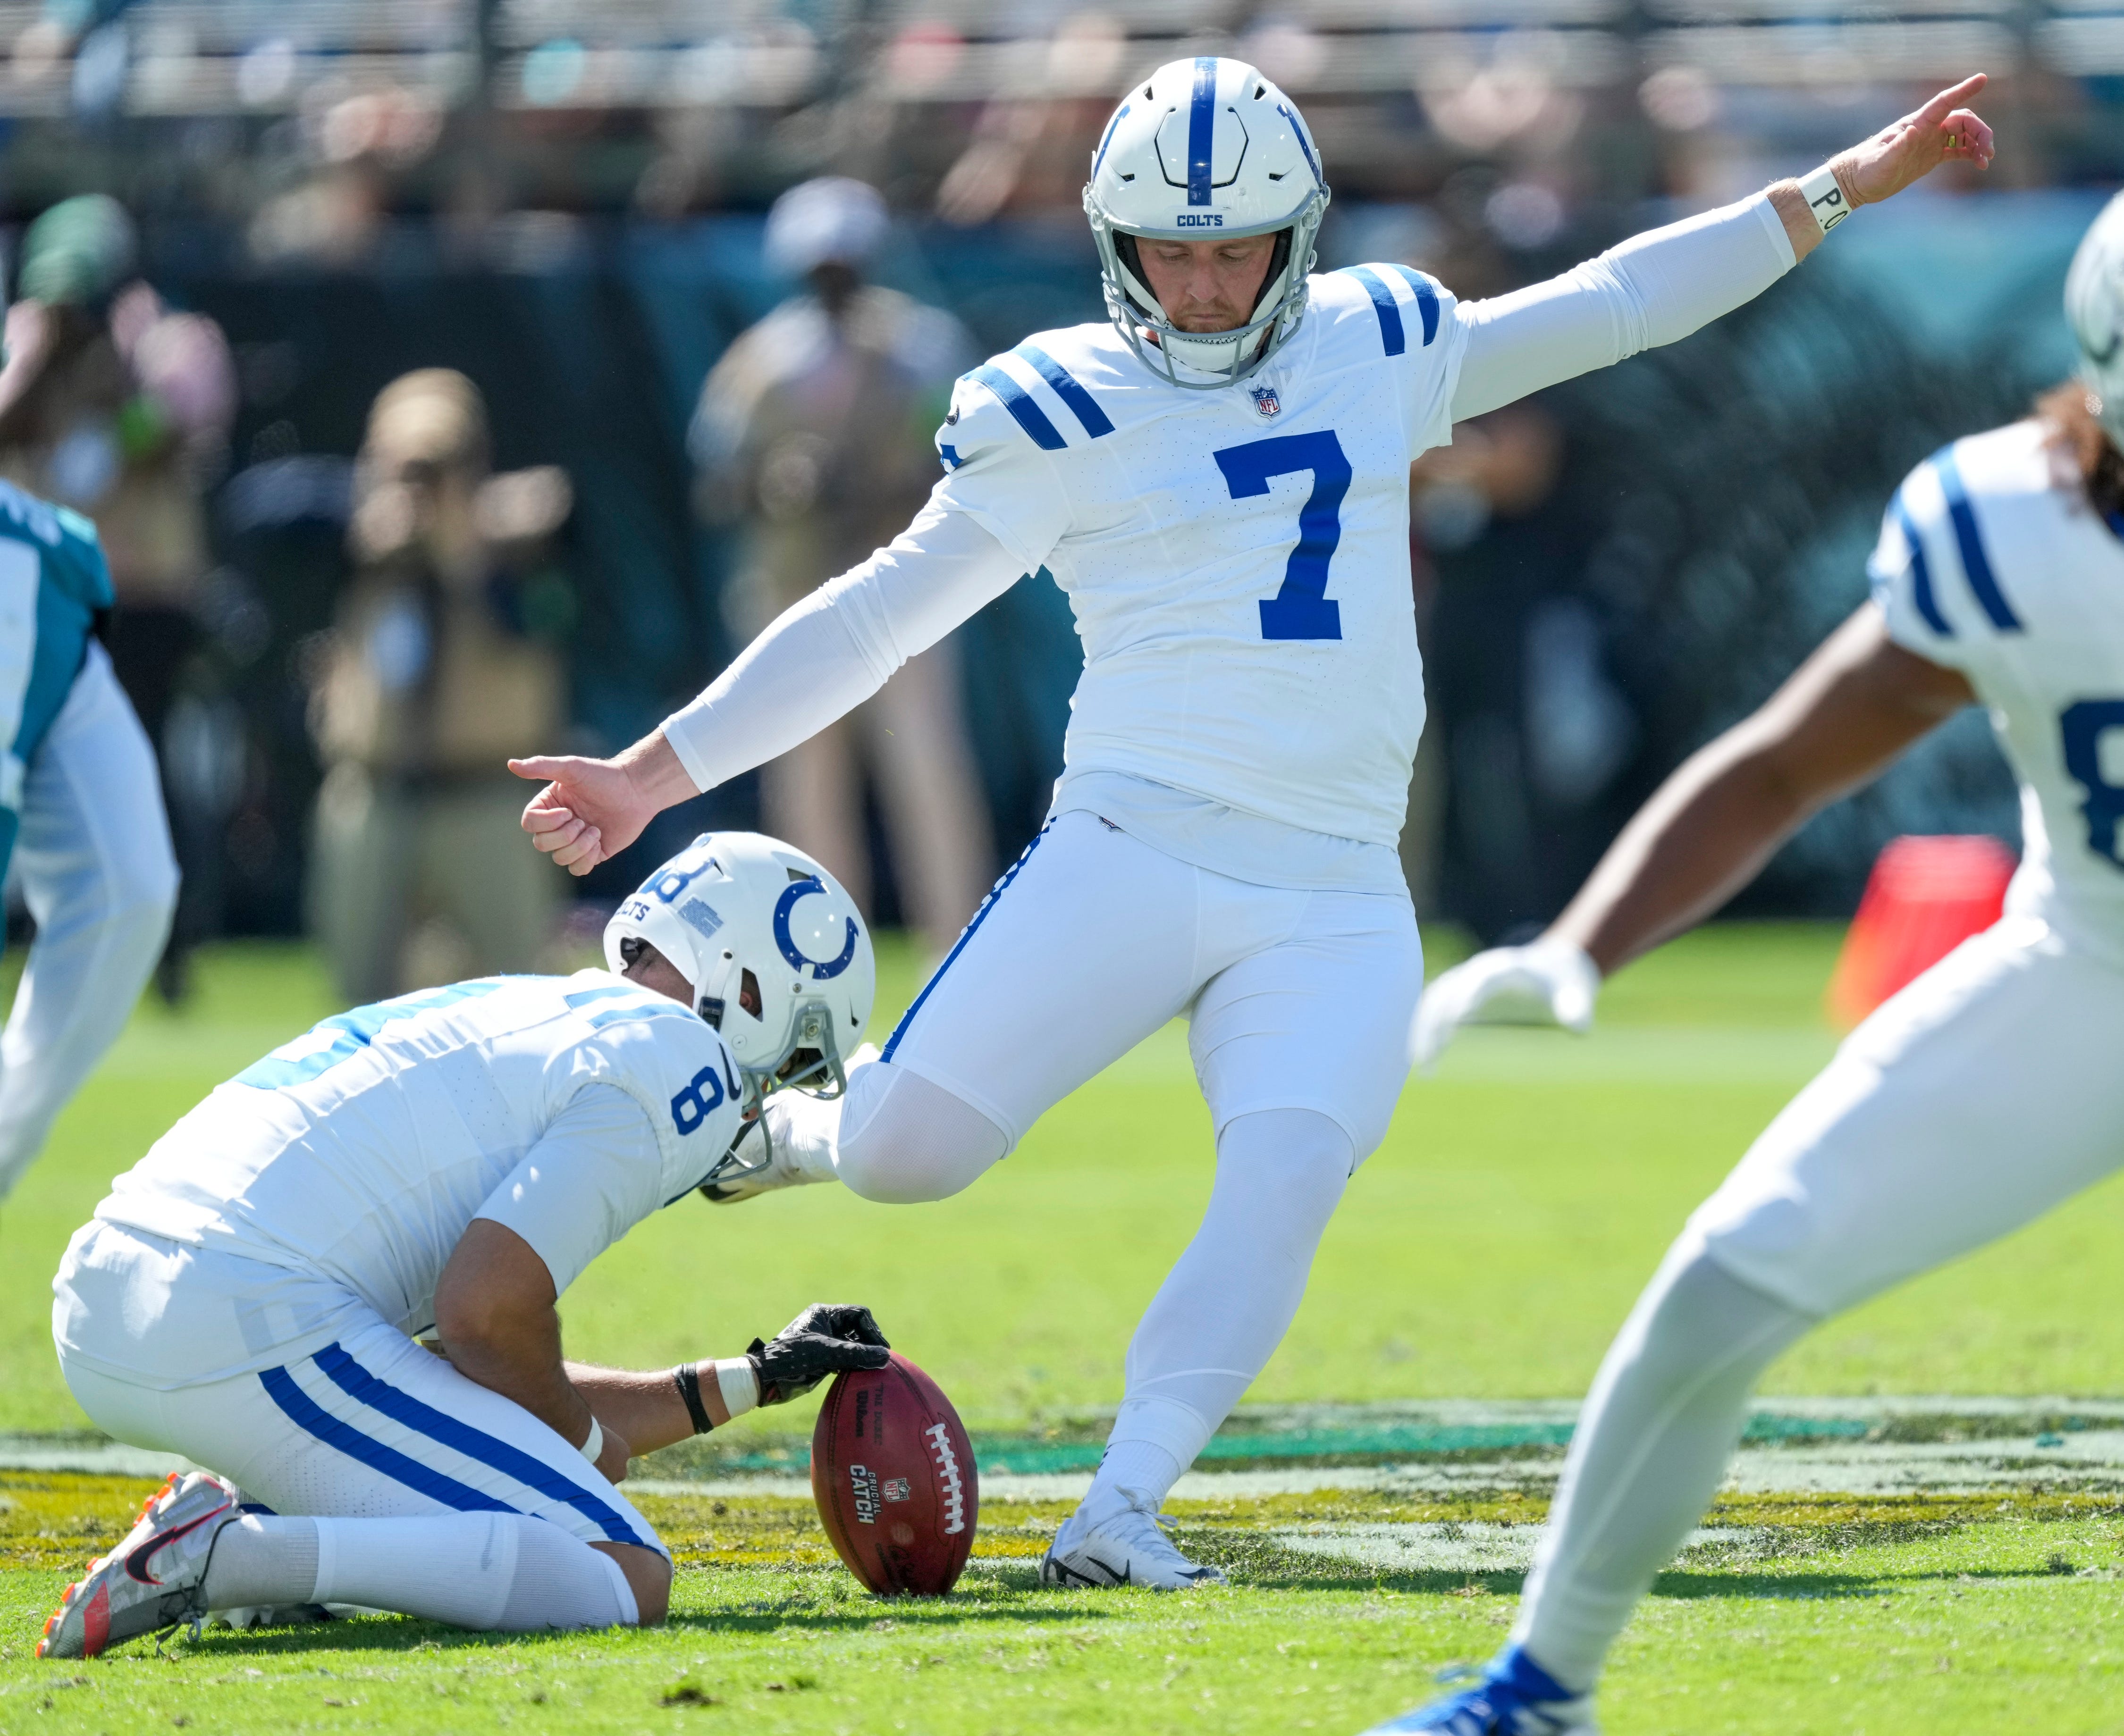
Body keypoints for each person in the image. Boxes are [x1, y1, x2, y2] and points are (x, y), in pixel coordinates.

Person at [511, 59, 1992, 1592]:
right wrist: (653, 773)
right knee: (907, 1159)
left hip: (1340, 884)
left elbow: (1616, 303)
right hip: (1133, 847)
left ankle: (1123, 1507)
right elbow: (878, 618)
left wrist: (1830, 190)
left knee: (1284, 1180)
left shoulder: (1380, 338)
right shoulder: (1054, 406)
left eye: (1241, 249)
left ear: (1303, 237)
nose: (1210, 284)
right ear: (1114, 243)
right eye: (1175, 249)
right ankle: (796, 1135)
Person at [1374, 188, 2124, 1736]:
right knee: (1723, 1284)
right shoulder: (2012, 528)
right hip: (2090, 972)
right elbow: (1786, 764)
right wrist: (1582, 944)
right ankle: (1539, 1692)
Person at [39, 832, 884, 1659]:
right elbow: (484, 1315)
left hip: (124, 1291)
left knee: (511, 1465)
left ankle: (274, 1534)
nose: (770, 1089)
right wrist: (587, 1446)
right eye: (797, 1055)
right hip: (245, 1317)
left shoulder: (542, 1003)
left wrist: (753, 1378)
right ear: (748, 990)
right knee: (623, 1575)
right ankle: (236, 1557)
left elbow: (468, 1369)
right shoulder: (681, 1058)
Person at [692, 176, 992, 958]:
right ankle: (820, 948)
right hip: (794, 590)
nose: (835, 283)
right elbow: (719, 479)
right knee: (807, 783)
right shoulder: (765, 362)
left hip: (906, 593)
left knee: (925, 767)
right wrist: (782, 484)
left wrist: (873, 481)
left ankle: (953, 939)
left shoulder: (919, 349)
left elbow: (968, 460)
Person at [0, 194, 236, 1001]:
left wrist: (117, 371)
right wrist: (46, 358)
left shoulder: (165, 338)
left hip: (146, 599)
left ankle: (168, 949)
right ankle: (54, 937)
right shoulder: (35, 342)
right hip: (58, 594)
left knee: (146, 768)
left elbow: (171, 425)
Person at [309, 369, 575, 1001]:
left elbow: (541, 623)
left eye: (435, 470)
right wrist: (365, 529)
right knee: (359, 1006)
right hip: (374, 793)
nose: (419, 491)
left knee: (525, 1000)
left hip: (486, 797)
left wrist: (467, 558)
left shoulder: (520, 550)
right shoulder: (364, 548)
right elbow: (257, 517)